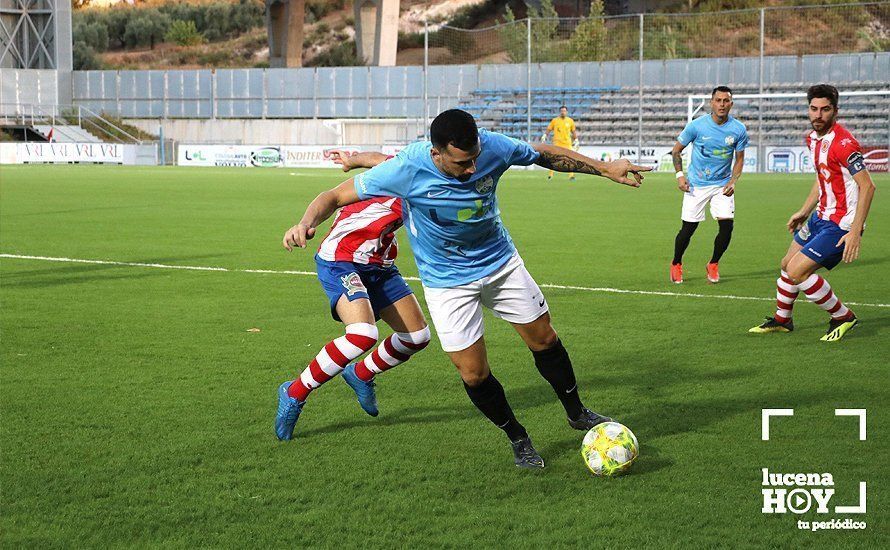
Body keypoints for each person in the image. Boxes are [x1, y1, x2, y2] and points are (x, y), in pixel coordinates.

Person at [282, 109, 650, 468]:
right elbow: (332, 197)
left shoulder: (492, 147)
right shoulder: (408, 168)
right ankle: (518, 437)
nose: (472, 169)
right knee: (474, 374)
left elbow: (543, 152)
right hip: (447, 282)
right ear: (436, 154)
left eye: (475, 159)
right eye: (462, 164)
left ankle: (576, 412)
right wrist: (304, 222)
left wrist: (604, 168)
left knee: (545, 340)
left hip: (501, 264)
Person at [275, 151, 432, 441]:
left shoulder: (434, 179)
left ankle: (361, 373)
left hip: (380, 265)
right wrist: (304, 222)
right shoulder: (396, 176)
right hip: (341, 259)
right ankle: (294, 393)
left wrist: (353, 159)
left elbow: (379, 158)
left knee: (417, 337)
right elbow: (332, 196)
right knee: (362, 334)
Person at [749, 84, 875, 342]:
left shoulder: (844, 144)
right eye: (814, 109)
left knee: (797, 272)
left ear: (835, 111)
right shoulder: (812, 139)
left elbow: (868, 186)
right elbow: (822, 178)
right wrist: (804, 211)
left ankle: (844, 316)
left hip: (841, 223)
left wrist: (855, 230)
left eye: (825, 110)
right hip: (819, 217)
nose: (818, 115)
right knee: (786, 265)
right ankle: (783, 320)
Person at [670, 86, 748, 284]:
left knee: (727, 226)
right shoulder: (696, 126)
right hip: (696, 185)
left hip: (722, 185)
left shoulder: (738, 129)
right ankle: (676, 263)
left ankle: (713, 263)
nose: (722, 104)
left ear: (731, 103)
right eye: (718, 100)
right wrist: (680, 176)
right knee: (688, 230)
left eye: (726, 101)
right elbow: (676, 151)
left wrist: (733, 181)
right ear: (711, 103)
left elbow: (739, 159)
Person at [541, 105, 579, 181]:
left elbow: (573, 131)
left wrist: (576, 140)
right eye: (562, 111)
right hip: (557, 143)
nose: (563, 112)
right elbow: (549, 129)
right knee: (553, 159)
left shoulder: (570, 121)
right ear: (560, 112)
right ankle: (550, 175)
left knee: (570, 160)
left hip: (567, 143)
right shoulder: (555, 120)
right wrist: (545, 135)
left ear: (566, 112)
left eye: (564, 111)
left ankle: (571, 176)